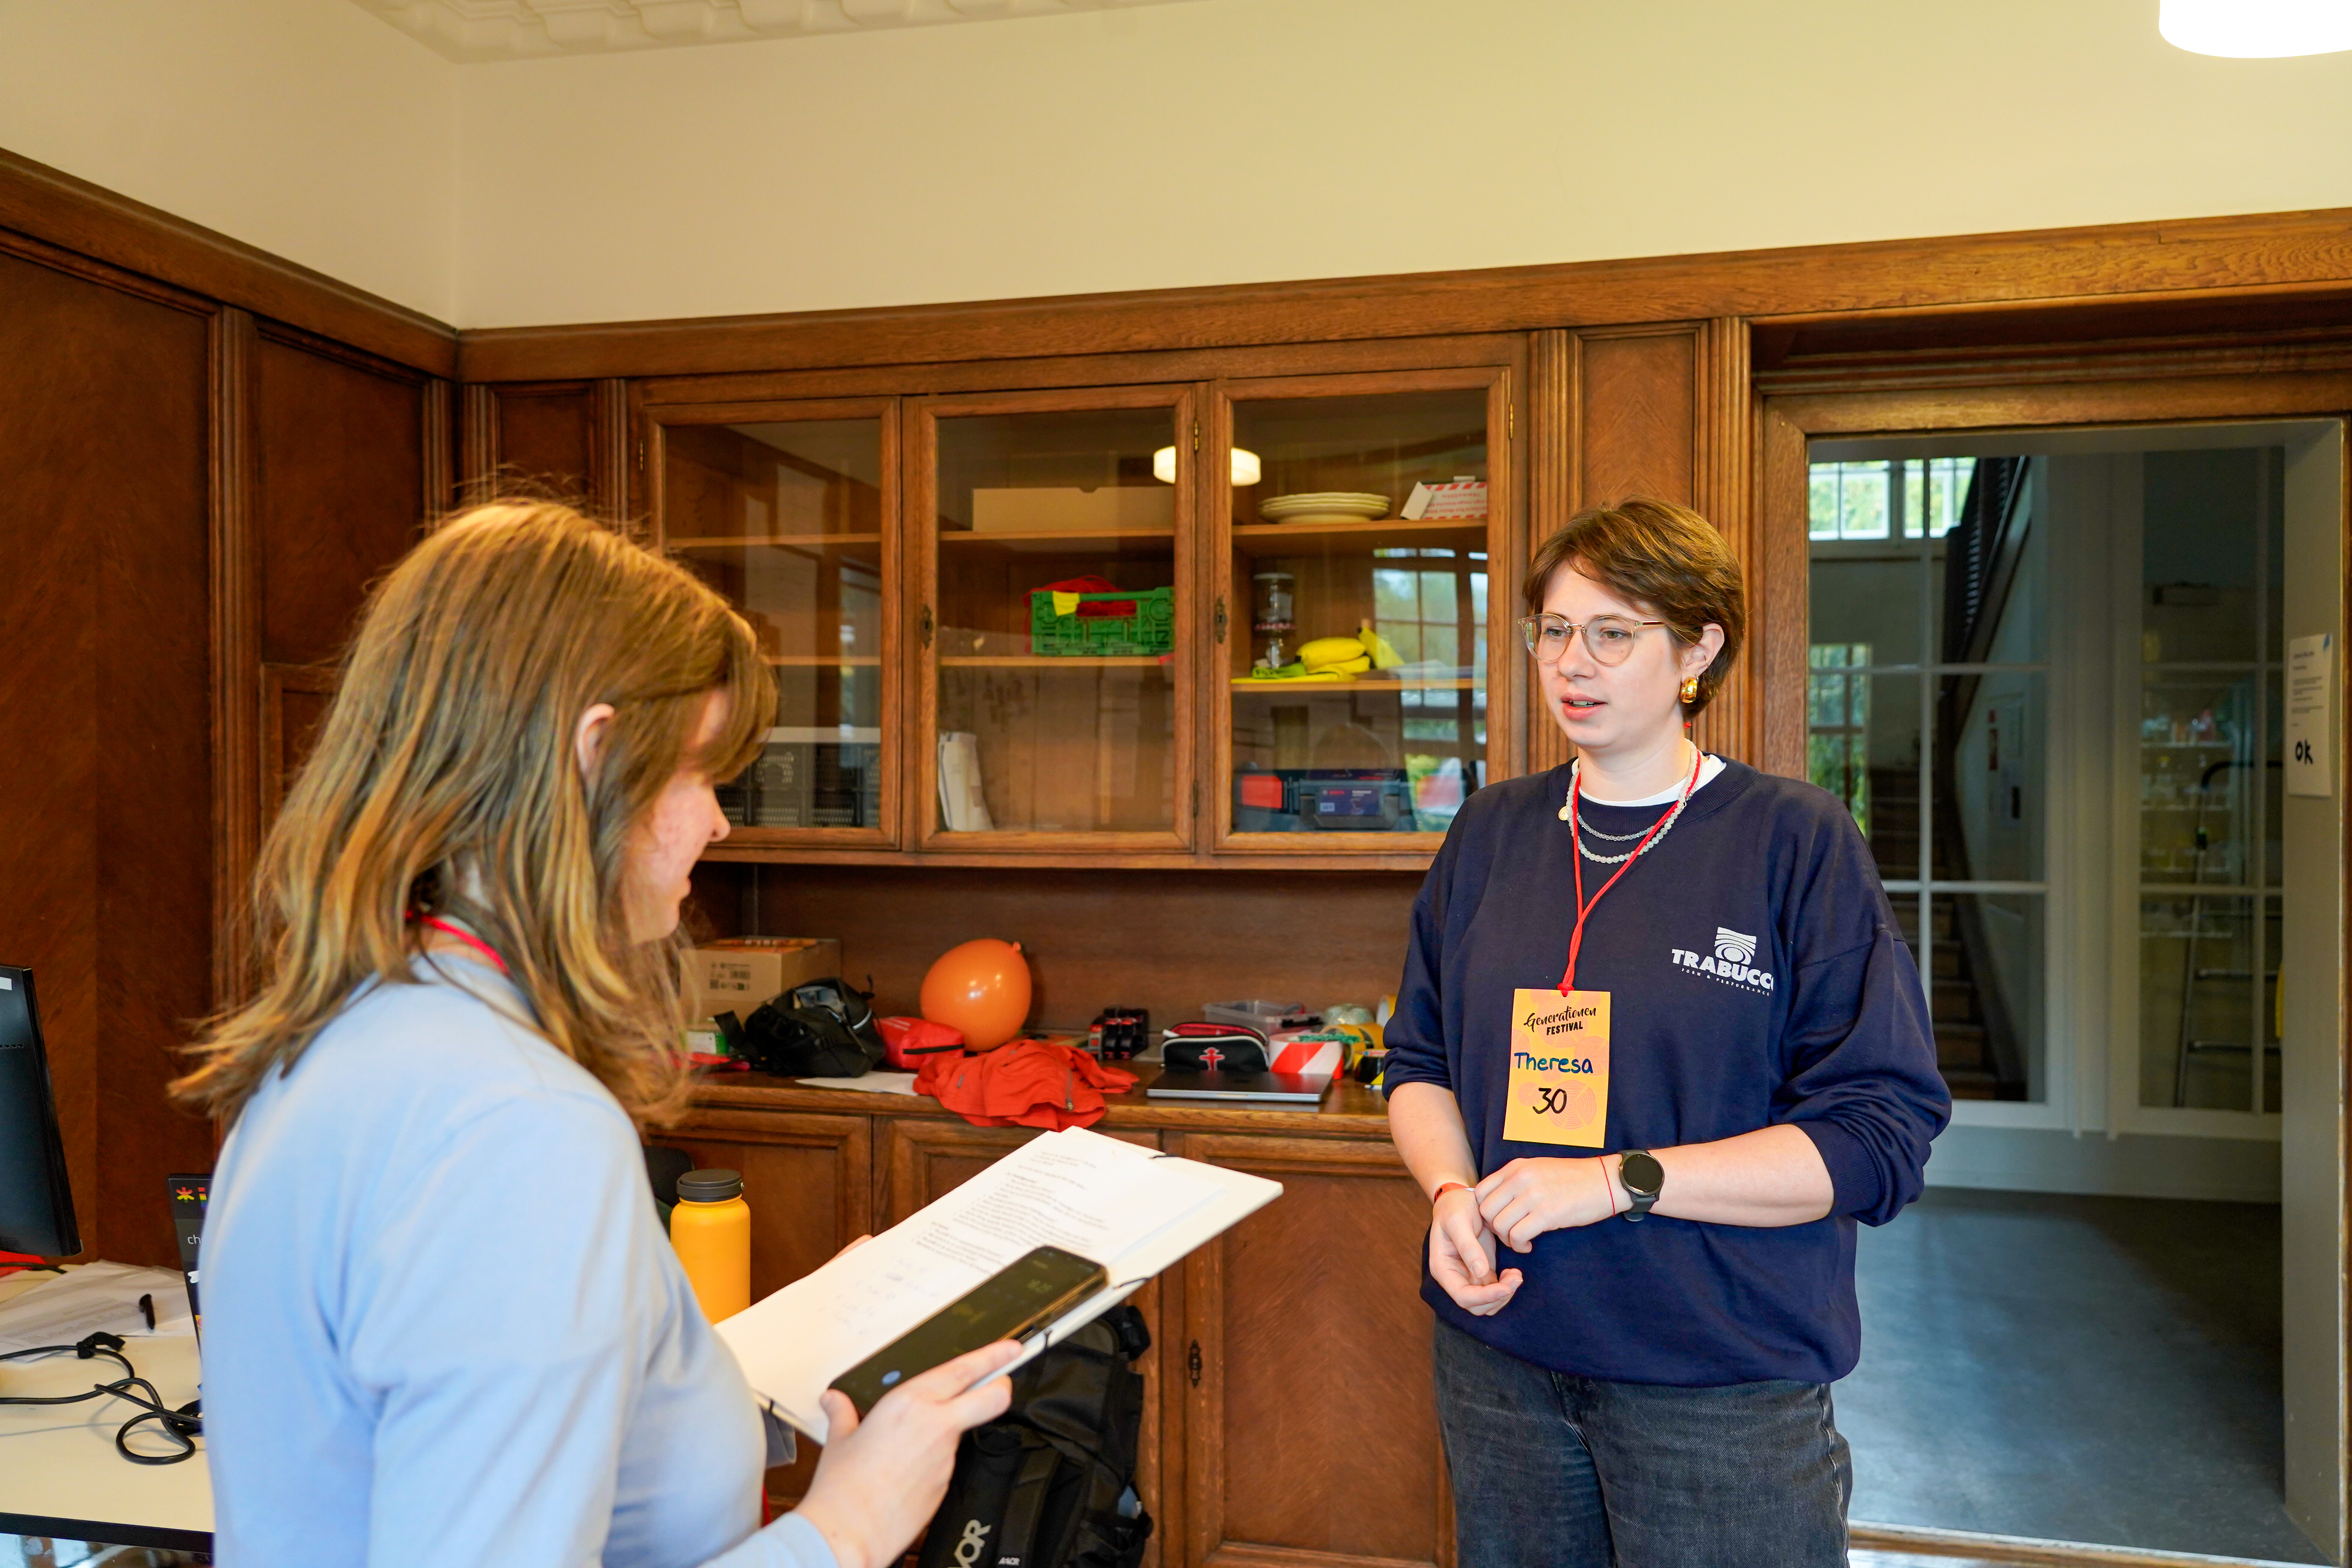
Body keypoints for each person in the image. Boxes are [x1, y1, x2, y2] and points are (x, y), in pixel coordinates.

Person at [175, 501, 1014, 1568]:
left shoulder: (334, 1046)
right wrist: (844, 1528)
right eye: (701, 771)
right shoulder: (520, 1127)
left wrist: (711, 1370)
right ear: (593, 759)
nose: (718, 822)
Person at [1382, 498, 1950, 1567]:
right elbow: (1418, 1064)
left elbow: (1879, 1137)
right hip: (1500, 1357)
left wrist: (1615, 1180)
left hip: (1718, 1382)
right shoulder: (1490, 831)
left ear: (1699, 648)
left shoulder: (1795, 840)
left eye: (1614, 632)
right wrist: (1451, 1193)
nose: (1572, 662)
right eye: (1554, 630)